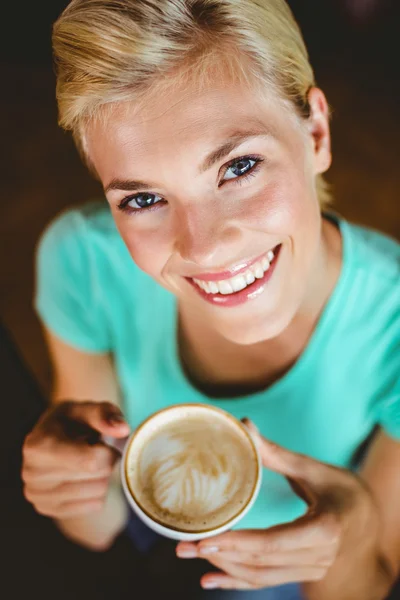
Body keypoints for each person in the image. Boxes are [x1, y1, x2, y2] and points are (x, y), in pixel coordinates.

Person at [21, 1, 400, 599]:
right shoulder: (83, 263)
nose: (201, 248)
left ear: (316, 133)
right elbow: (98, 529)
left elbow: (368, 579)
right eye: (143, 199)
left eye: (239, 165)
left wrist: (353, 534)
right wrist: (71, 483)